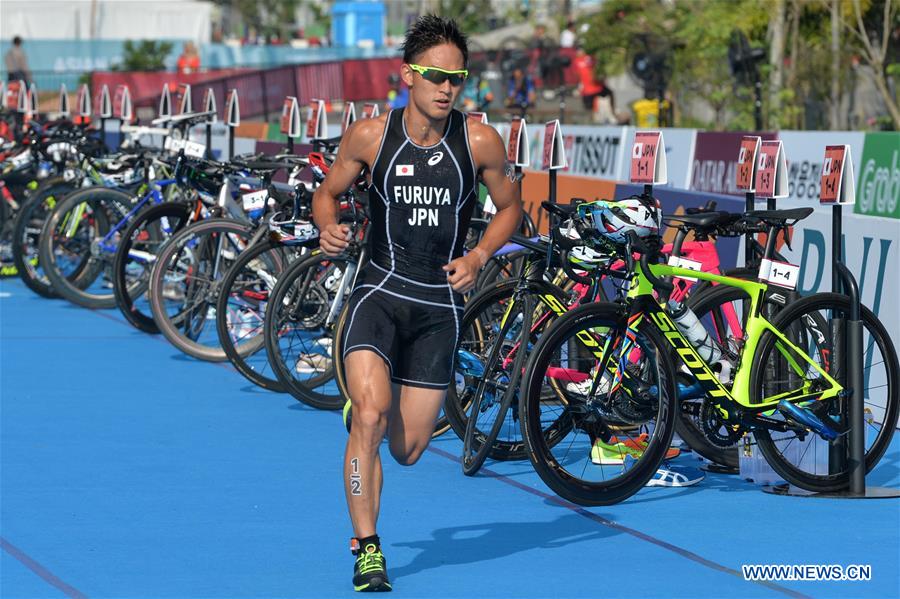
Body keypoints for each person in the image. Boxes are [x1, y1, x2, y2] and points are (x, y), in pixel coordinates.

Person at [312, 14, 522, 593]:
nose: (446, 88)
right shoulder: (370, 136)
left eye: (458, 79)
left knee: (407, 450)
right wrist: (328, 227)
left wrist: (479, 254)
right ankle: (367, 548)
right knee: (372, 416)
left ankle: (366, 415)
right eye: (435, 76)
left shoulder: (479, 141)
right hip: (378, 292)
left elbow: (510, 208)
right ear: (408, 75)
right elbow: (327, 194)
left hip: (438, 307)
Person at [573, 46, 614, 120]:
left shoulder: (581, 60)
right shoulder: (581, 60)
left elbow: (577, 76)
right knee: (590, 109)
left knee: (592, 108)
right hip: (591, 89)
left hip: (594, 88)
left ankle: (604, 116)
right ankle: (598, 118)